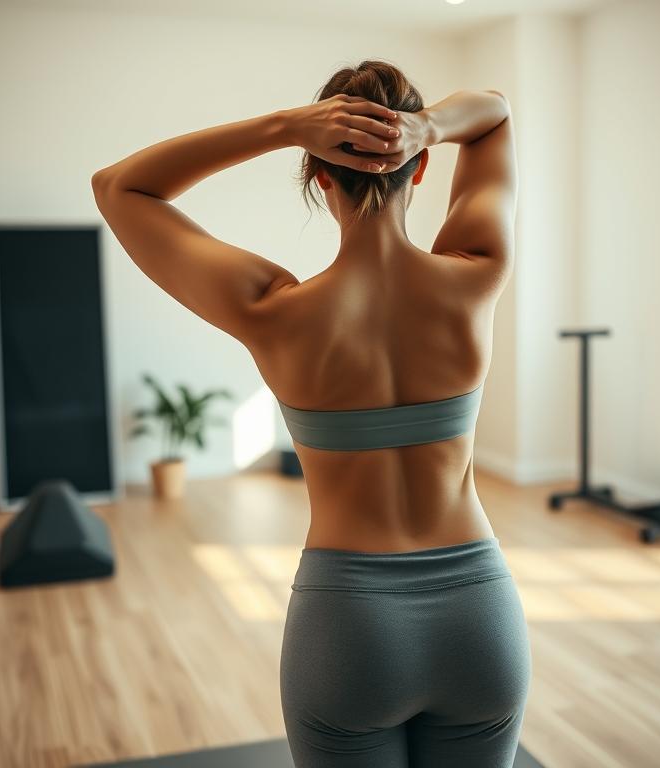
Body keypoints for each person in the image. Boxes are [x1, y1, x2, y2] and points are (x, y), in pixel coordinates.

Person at [92, 59, 530, 768]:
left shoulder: (271, 310)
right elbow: (496, 112)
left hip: (350, 625)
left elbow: (119, 187)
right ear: (418, 172)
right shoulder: (476, 272)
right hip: (480, 620)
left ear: (318, 174)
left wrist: (283, 125)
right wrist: (426, 128)